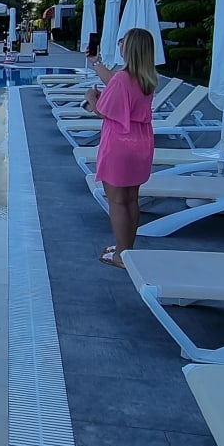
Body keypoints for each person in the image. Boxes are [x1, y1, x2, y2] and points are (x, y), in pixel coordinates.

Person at [82, 27, 158, 268]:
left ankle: (121, 255)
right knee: (131, 199)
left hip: (119, 143)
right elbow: (116, 83)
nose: (120, 44)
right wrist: (96, 63)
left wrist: (91, 98)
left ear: (130, 48)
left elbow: (103, 111)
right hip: (141, 142)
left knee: (116, 201)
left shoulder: (123, 79)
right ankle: (126, 249)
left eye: (122, 41)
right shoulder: (147, 78)